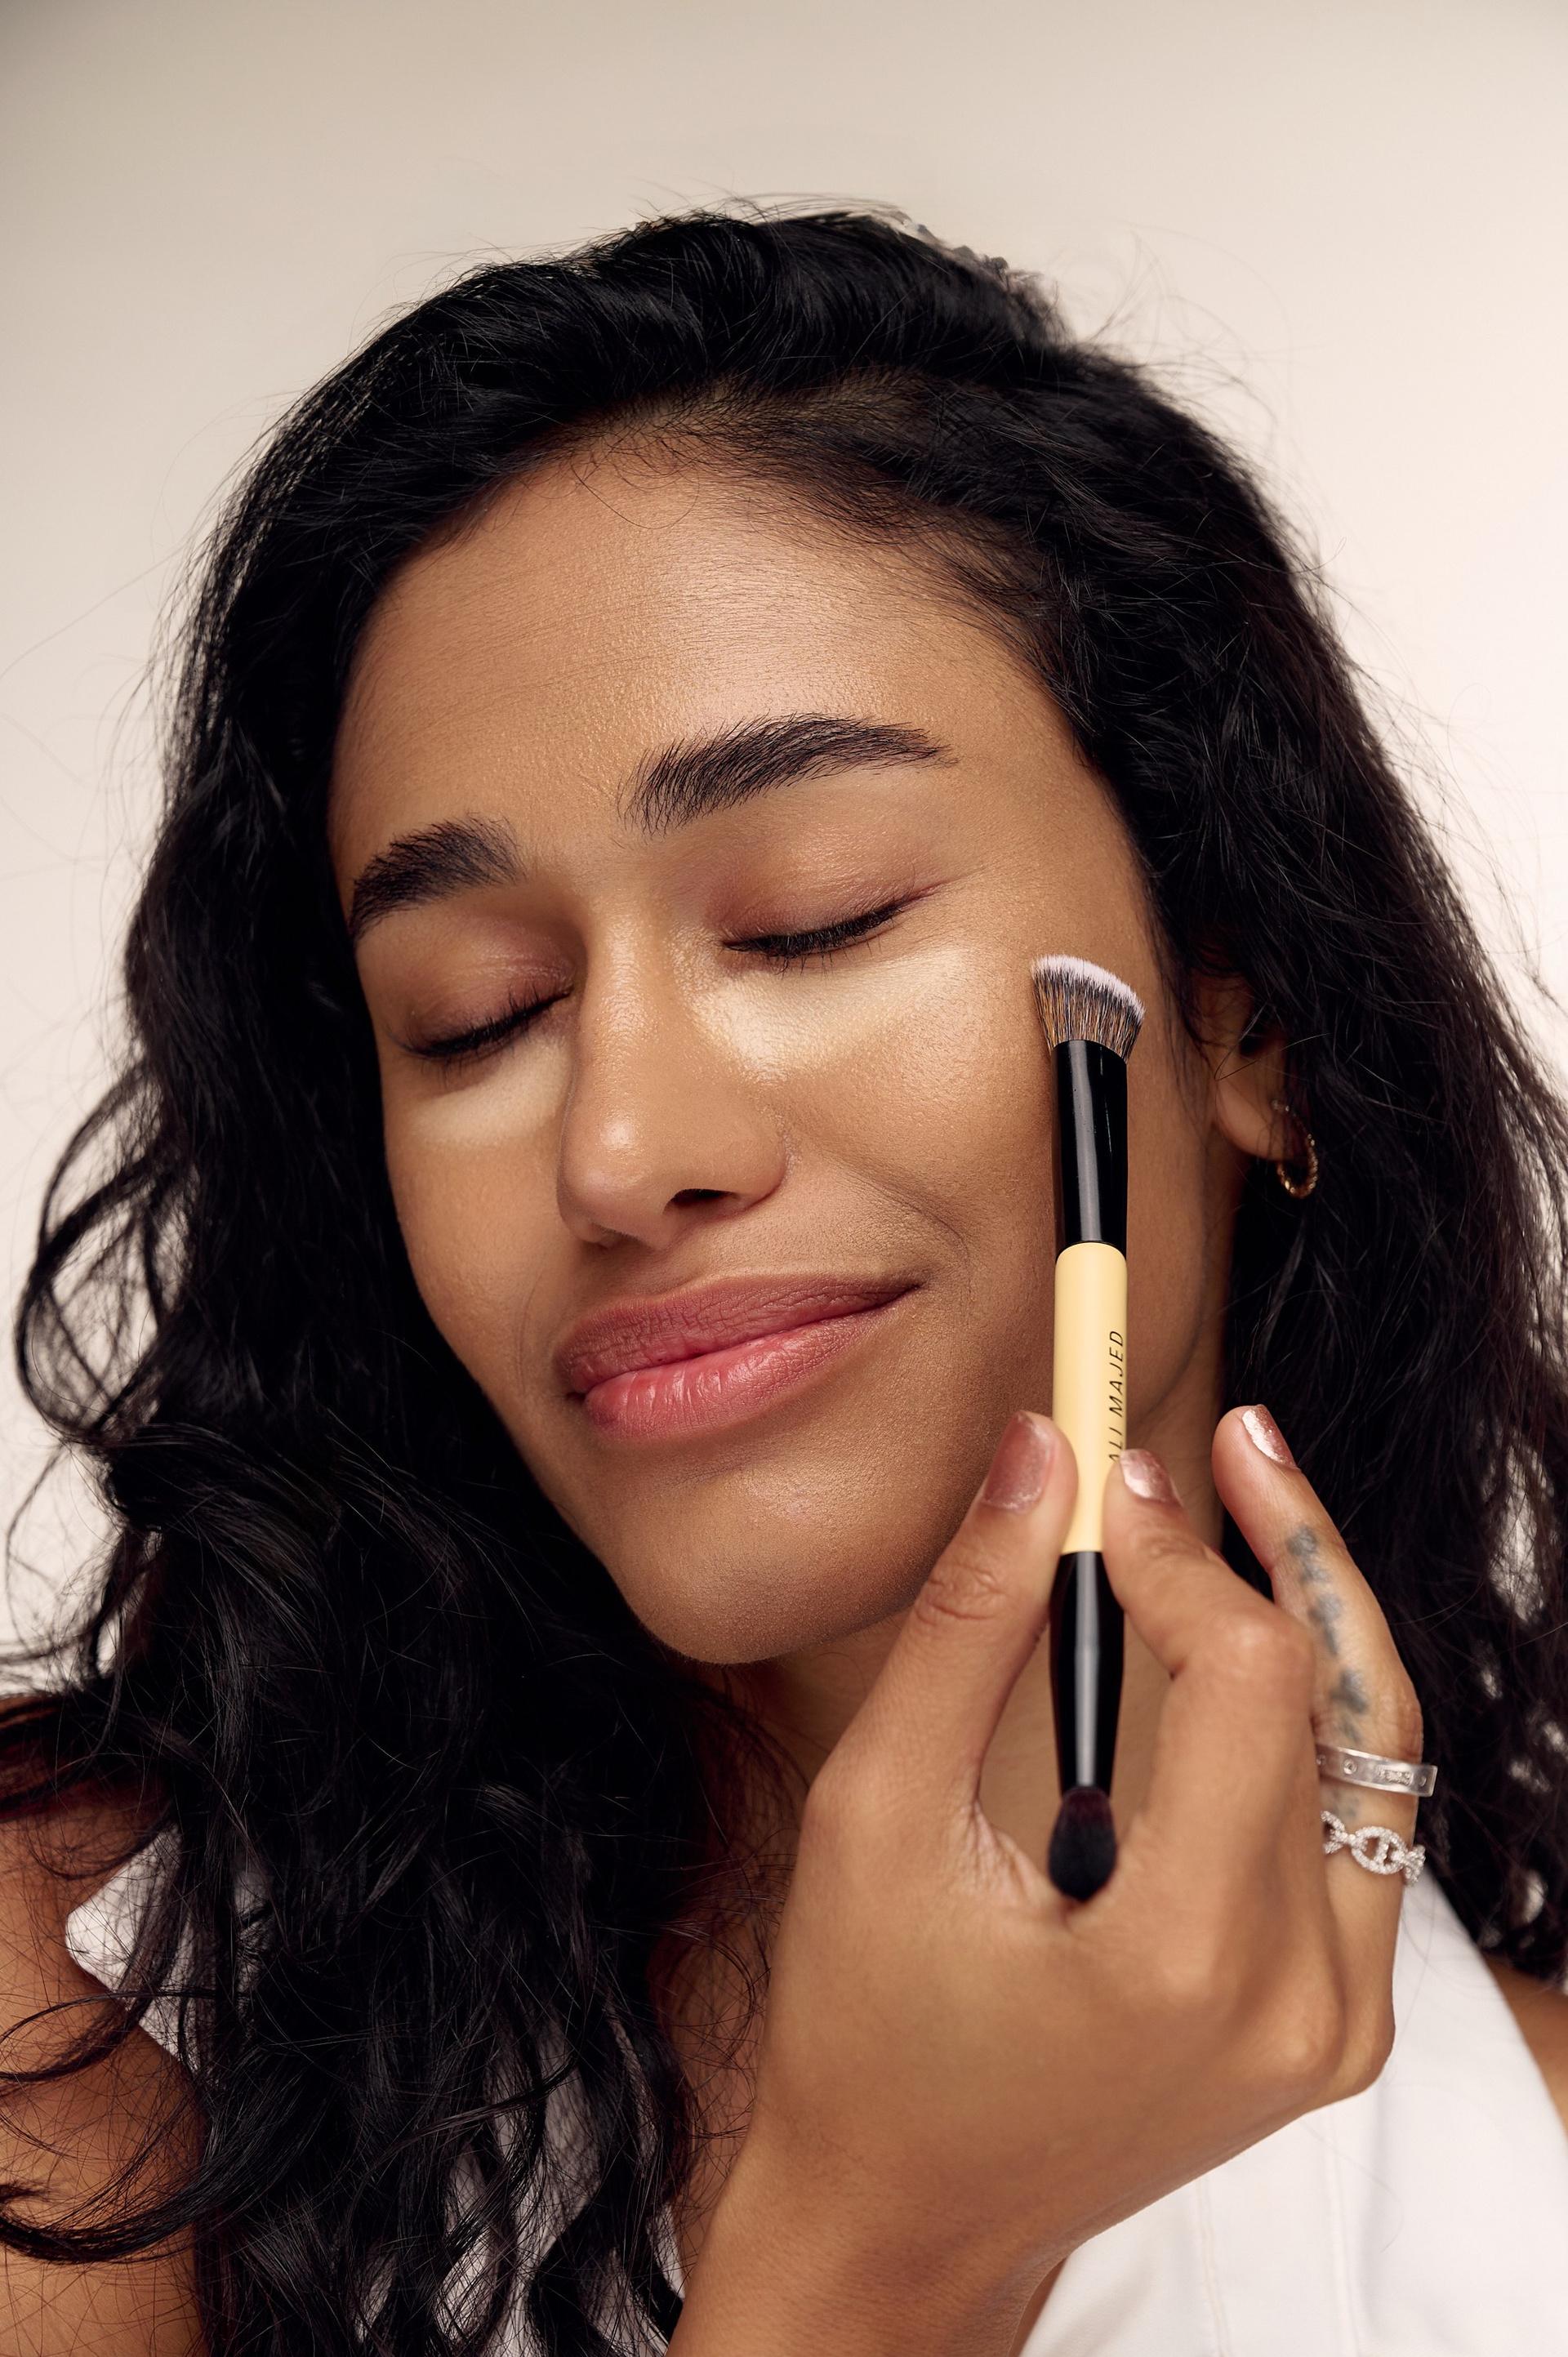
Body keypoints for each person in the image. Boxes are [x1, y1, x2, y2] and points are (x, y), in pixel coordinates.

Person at [2, 207, 1566, 2357]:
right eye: (471, 1017)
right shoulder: (70, 2017)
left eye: (813, 918)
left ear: (1250, 1018)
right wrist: (885, 2249)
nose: (619, 1152)